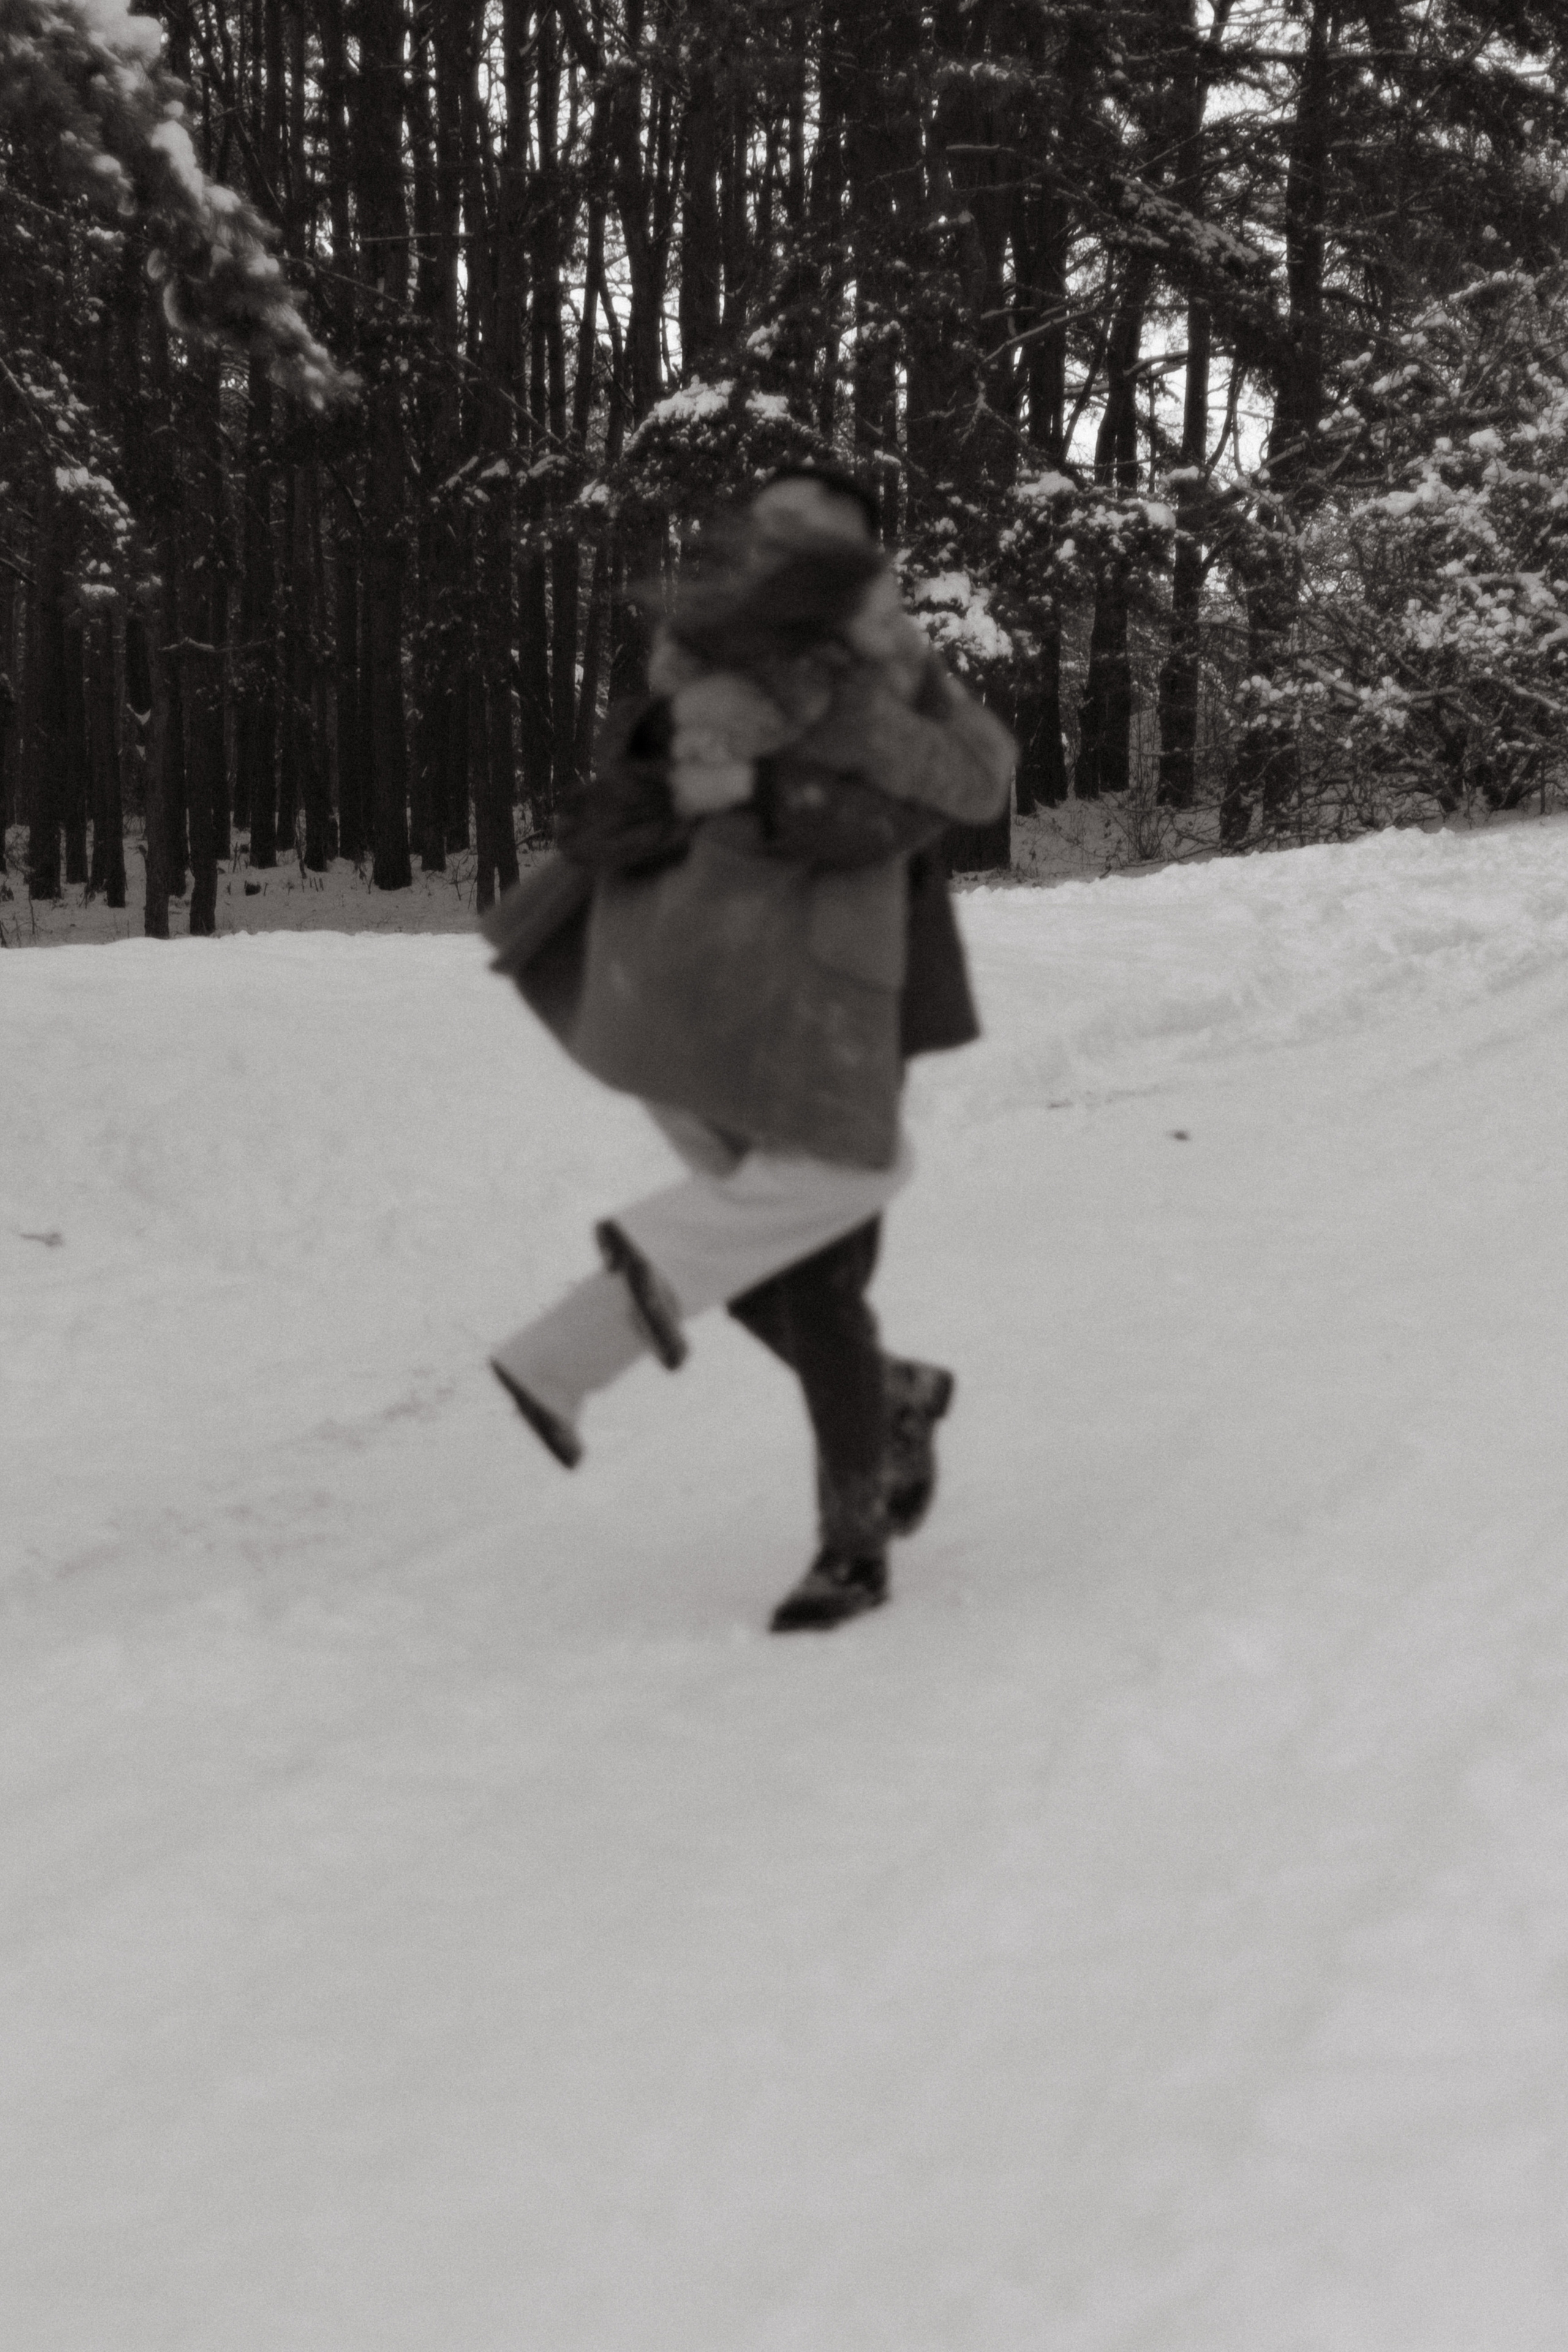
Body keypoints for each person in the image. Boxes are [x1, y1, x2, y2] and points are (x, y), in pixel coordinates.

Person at [483, 464, 1014, 1630]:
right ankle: (871, 1469)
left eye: (818, 537)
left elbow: (950, 794)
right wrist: (736, 775)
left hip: (781, 1003)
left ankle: (869, 1485)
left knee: (797, 1261)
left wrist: (771, 787)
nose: (789, 550)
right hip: (741, 992)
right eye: (773, 527)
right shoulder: (736, 670)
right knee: (789, 1246)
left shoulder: (855, 674)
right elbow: (651, 782)